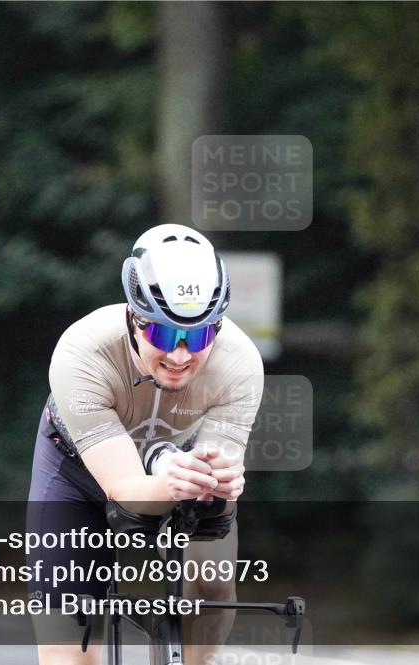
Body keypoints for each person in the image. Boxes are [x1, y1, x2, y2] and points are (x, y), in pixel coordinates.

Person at [27, 224, 263, 665]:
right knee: (69, 644)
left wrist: (222, 487)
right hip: (78, 472)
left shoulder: (240, 362)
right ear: (134, 319)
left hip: (181, 464)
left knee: (213, 581)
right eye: (162, 335)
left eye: (196, 337)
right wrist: (168, 481)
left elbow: (216, 497)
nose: (178, 356)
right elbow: (124, 492)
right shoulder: (83, 351)